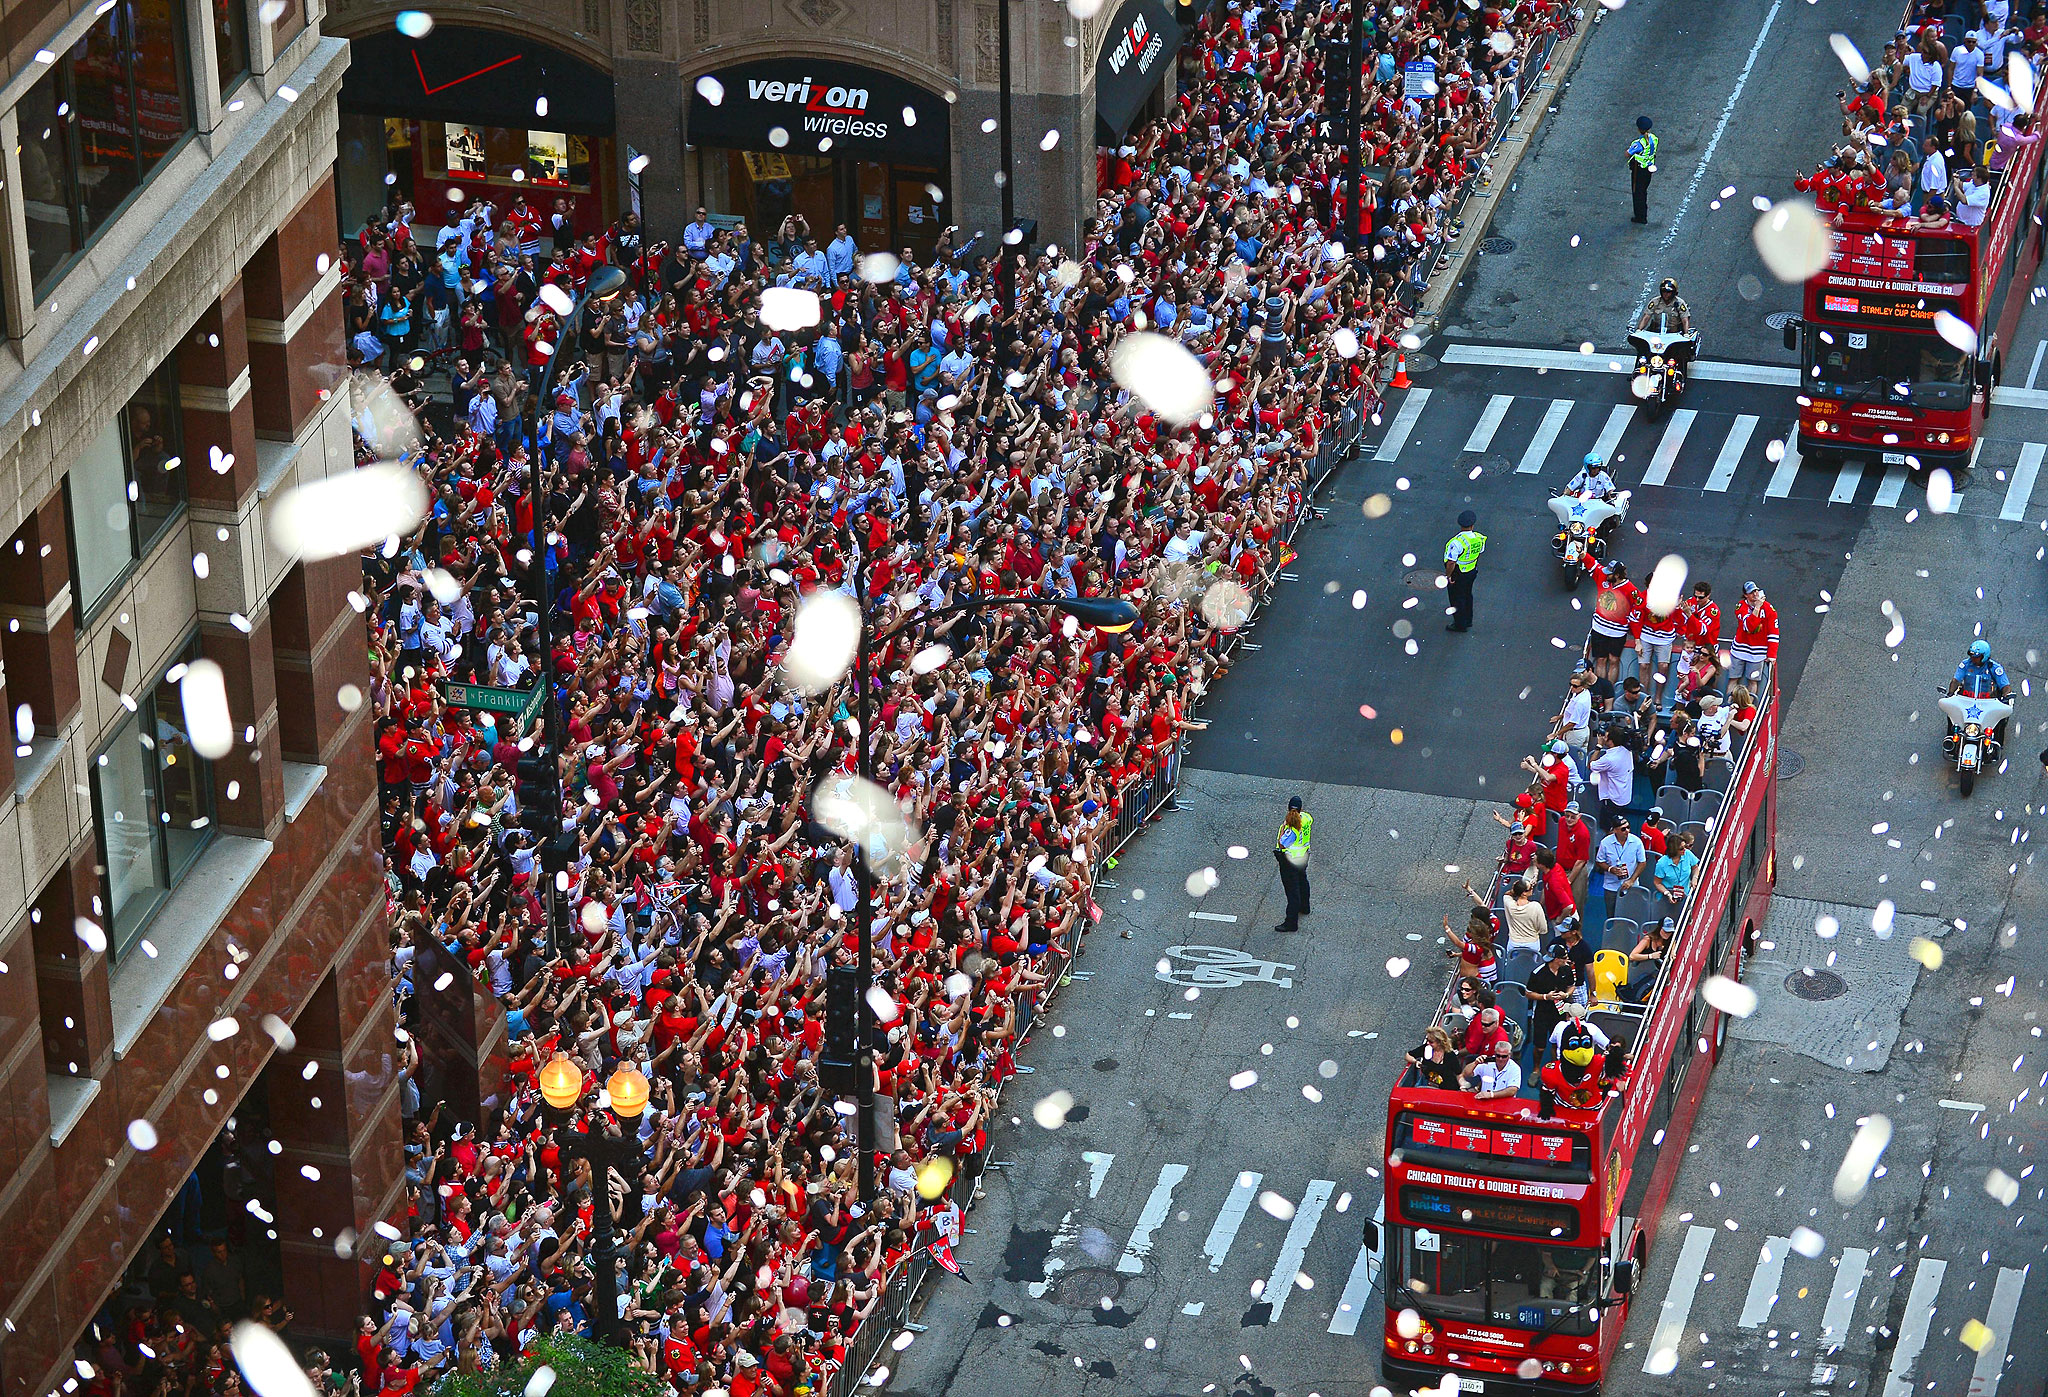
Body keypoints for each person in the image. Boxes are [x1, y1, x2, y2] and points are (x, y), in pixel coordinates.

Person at [1946, 639, 2014, 754]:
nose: (1973, 659)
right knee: (1951, 716)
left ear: (1984, 656)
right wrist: (1950, 694)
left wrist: (2006, 697)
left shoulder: (1994, 668)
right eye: (1972, 656)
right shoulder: (1965, 664)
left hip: (1988, 702)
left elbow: (2005, 686)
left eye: (1976, 657)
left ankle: (1997, 746)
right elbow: (1956, 680)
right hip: (1967, 700)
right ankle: (1951, 742)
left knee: (2000, 721)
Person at [1526, 941, 1582, 1059]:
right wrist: (1545, 997)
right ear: (1556, 959)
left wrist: (1565, 995)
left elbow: (1572, 986)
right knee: (1539, 1046)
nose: (1567, 959)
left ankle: (1555, 1066)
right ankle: (1536, 1069)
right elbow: (1528, 993)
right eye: (1564, 957)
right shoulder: (1538, 973)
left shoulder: (1567, 970)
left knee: (1557, 1043)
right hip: (1541, 1012)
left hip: (1560, 1011)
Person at [1593, 814, 1646, 928]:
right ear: (1615, 830)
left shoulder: (1636, 842)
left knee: (1631, 915)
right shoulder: (1605, 843)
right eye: (1623, 829)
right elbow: (1599, 861)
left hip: (1631, 885)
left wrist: (1632, 880)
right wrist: (1610, 869)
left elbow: (1642, 862)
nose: (1627, 831)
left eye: (1628, 827)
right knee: (1612, 915)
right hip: (1611, 885)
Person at [1273, 794, 1312, 933]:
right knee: (1303, 881)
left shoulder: (1291, 828)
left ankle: (1291, 923)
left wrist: (1284, 827)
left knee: (1292, 892)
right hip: (1303, 857)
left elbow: (1282, 844)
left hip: (1290, 861)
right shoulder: (1306, 818)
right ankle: (1305, 907)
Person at [1443, 509, 1486, 632]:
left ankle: (1460, 624)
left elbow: (1451, 562)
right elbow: (1479, 553)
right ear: (1472, 525)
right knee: (1467, 595)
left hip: (1458, 573)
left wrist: (1448, 576)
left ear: (1460, 525)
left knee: (1457, 599)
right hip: (1472, 571)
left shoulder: (1456, 542)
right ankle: (1468, 620)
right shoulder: (1479, 538)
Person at [1730, 581, 1779, 687]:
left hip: (1758, 652)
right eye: (1751, 592)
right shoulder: (1741, 607)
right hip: (1739, 650)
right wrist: (1757, 608)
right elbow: (1749, 627)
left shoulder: (1769, 609)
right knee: (1733, 679)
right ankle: (1728, 703)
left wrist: (1772, 655)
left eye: (1756, 590)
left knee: (1753, 681)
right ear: (1745, 595)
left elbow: (1773, 633)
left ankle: (1749, 704)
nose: (1755, 593)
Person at [1622, 917, 1675, 1003]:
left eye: (1670, 932)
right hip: (1646, 974)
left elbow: (1673, 941)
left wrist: (1673, 951)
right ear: (1659, 929)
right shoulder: (1647, 940)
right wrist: (1650, 956)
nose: (1667, 934)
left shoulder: (1670, 938)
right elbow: (1632, 956)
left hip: (1660, 974)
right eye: (1665, 931)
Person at [1627, 115, 1658, 223]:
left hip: (1639, 170)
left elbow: (1628, 153)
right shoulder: (1654, 138)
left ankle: (1640, 216)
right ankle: (1642, 213)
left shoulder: (1639, 143)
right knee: (1643, 190)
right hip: (1649, 167)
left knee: (1637, 193)